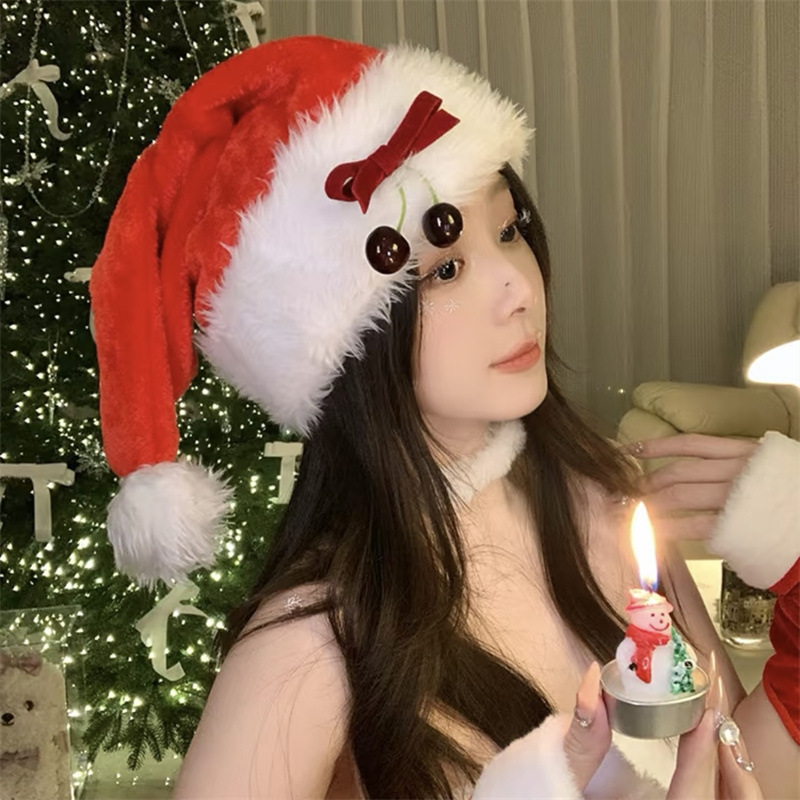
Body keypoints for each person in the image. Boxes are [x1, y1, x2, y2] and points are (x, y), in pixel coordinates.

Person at [86, 35, 798, 799]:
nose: (518, 287)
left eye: (509, 230)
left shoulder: (606, 501)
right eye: (446, 268)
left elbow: (748, 776)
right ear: (344, 342)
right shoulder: (313, 642)